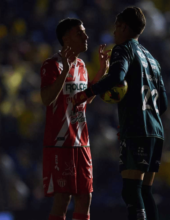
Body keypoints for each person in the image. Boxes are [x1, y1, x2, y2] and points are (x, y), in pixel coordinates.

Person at [72, 7, 168, 220]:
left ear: (124, 27)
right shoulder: (152, 59)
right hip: (156, 132)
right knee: (145, 191)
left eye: (116, 27)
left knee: (131, 191)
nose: (114, 32)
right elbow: (164, 103)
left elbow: (117, 76)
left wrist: (87, 93)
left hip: (137, 129)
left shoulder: (123, 49)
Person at [40, 18, 111, 220]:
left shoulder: (81, 65)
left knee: (85, 197)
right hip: (60, 143)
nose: (86, 36)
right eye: (80, 33)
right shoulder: (51, 65)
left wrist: (101, 73)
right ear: (66, 38)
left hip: (82, 142)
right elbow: (46, 99)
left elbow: (83, 100)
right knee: (63, 199)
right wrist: (64, 70)